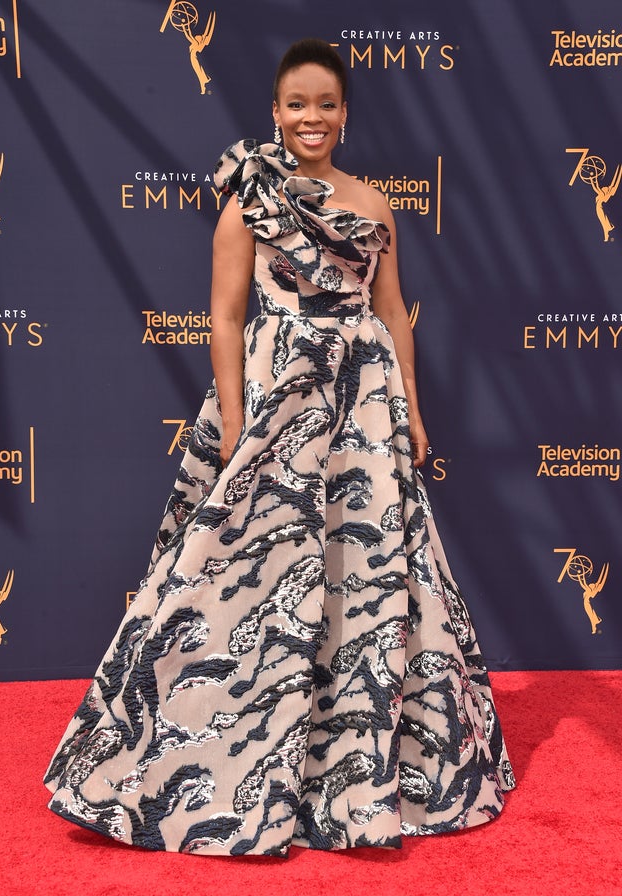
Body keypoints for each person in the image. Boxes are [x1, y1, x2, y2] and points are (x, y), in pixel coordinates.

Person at [44, 38, 515, 856]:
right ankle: (198, 759)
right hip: (278, 396)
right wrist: (233, 419)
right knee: (246, 573)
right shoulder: (251, 201)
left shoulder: (373, 203)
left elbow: (393, 311)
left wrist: (410, 407)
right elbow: (226, 317)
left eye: (325, 104)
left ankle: (357, 765)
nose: (311, 118)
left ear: (345, 114)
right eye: (296, 104)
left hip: (364, 405)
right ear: (274, 111)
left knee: (367, 573)